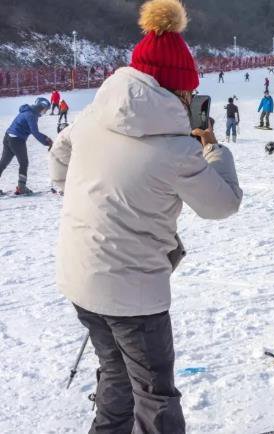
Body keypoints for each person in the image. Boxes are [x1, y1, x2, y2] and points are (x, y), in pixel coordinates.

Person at [48, 1, 243, 431]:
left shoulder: (95, 116)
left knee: (115, 372)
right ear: (176, 90)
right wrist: (212, 148)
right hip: (134, 295)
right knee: (155, 393)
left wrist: (80, 198)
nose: (193, 98)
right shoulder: (177, 149)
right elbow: (223, 205)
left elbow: (59, 152)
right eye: (190, 91)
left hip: (80, 277)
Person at [1, 97, 52, 195]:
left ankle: (21, 187)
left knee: (3, 163)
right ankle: (22, 188)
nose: (45, 112)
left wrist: (45, 139)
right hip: (17, 140)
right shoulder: (31, 115)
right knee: (24, 163)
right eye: (45, 110)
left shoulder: (28, 112)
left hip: (8, 137)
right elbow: (35, 132)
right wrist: (47, 141)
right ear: (41, 107)